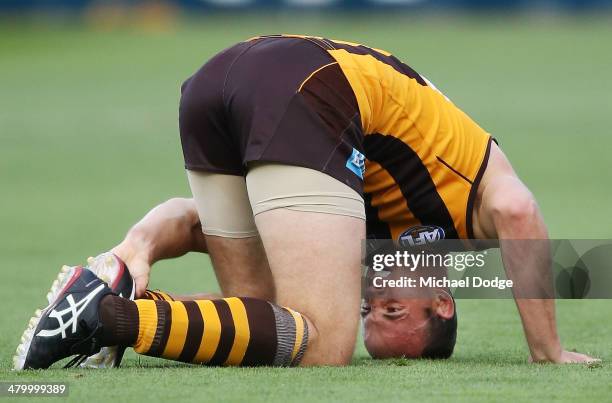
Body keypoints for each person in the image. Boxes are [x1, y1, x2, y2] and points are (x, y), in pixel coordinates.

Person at [14, 35, 597, 370]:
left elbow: (191, 222)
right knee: (322, 344)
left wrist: (135, 246)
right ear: (443, 299)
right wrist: (548, 353)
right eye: (391, 309)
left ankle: (113, 297)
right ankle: (111, 319)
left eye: (370, 311)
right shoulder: (462, 230)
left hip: (216, 82)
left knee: (261, 316)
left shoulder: (360, 238)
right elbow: (520, 212)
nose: (371, 296)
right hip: (307, 84)